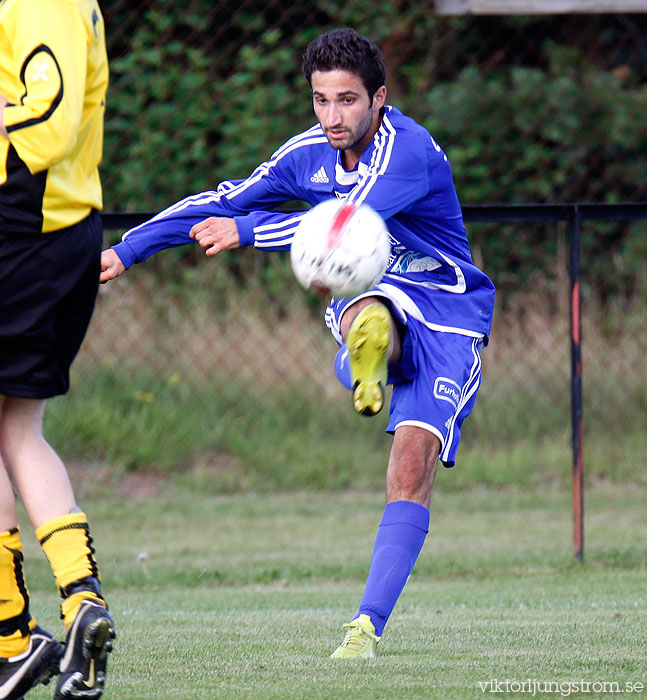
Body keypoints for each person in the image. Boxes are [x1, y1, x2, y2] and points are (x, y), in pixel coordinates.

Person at [100, 28, 495, 659]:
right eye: (321, 100)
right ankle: (370, 348)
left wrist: (248, 233)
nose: (332, 117)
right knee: (364, 296)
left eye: (347, 101)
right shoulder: (307, 152)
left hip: (449, 308)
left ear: (379, 98)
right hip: (377, 288)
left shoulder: (407, 151)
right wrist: (129, 248)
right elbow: (223, 200)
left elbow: (340, 229)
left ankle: (365, 629)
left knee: (412, 466)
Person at [0, 0, 115, 697]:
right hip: (51, 233)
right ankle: (77, 605)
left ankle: (11, 635)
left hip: (23, 229)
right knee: (17, 428)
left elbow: (49, 122)